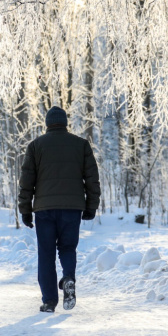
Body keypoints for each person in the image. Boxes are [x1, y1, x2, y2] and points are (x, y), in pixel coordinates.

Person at [18, 106, 101, 313]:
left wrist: (25, 209)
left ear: (47, 124)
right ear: (65, 123)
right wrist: (91, 206)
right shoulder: (81, 145)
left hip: (44, 210)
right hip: (72, 209)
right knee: (67, 248)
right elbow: (92, 179)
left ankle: (49, 302)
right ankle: (69, 278)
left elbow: (26, 182)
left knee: (46, 254)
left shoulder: (36, 146)